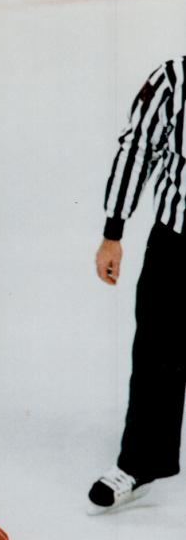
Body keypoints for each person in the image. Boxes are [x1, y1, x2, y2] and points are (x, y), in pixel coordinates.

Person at [89, 57, 186, 512]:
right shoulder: (174, 80)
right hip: (177, 242)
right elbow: (137, 150)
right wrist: (113, 232)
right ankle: (144, 460)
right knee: (157, 351)